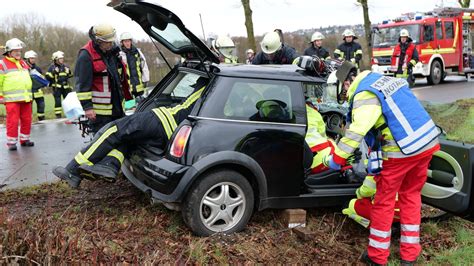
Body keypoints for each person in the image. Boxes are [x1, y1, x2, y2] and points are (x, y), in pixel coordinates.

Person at [326, 61, 440, 265]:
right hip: (426, 143)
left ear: (344, 84)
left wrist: (337, 158)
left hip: (400, 150)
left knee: (383, 202)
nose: (343, 96)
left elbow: (357, 131)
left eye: (340, 90)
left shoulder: (364, 93)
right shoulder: (381, 80)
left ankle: (377, 257)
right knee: (411, 196)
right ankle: (410, 256)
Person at [53, 77, 208, 188]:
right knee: (128, 138)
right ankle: (110, 165)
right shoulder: (213, 90)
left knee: (113, 130)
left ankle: (72, 170)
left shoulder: (209, 81)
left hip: (163, 119)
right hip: (169, 131)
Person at [75, 23, 132, 134]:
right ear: (98, 41)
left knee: (120, 138)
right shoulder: (86, 55)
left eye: (111, 41)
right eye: (107, 41)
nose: (110, 43)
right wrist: (87, 107)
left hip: (117, 107)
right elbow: (82, 85)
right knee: (103, 141)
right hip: (100, 112)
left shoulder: (112, 52)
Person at [0, 38, 34, 150]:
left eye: (19, 51)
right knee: (13, 121)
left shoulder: (23, 63)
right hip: (11, 99)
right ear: (9, 52)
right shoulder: (2, 64)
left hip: (26, 98)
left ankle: (25, 139)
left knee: (27, 119)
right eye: (16, 51)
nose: (18, 53)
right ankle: (11, 142)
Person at [119, 32, 150, 98]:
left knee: (141, 104)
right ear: (122, 43)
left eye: (128, 41)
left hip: (139, 85)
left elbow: (144, 66)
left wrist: (146, 79)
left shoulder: (137, 52)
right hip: (127, 87)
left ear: (131, 41)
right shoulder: (120, 55)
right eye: (125, 41)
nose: (127, 43)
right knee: (130, 106)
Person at [46, 51, 73, 118]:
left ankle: (69, 114)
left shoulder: (65, 66)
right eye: (60, 59)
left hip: (66, 87)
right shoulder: (52, 67)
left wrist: (69, 72)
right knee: (58, 102)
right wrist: (54, 72)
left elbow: (71, 75)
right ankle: (58, 115)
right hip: (56, 88)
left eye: (62, 58)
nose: (62, 60)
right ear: (56, 60)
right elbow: (47, 77)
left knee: (67, 102)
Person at [24, 50, 46, 121]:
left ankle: (41, 119)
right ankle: (28, 120)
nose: (33, 60)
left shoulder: (37, 69)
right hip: (29, 92)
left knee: (41, 105)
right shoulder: (23, 69)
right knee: (28, 108)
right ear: (27, 59)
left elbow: (41, 79)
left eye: (34, 58)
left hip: (38, 92)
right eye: (31, 58)